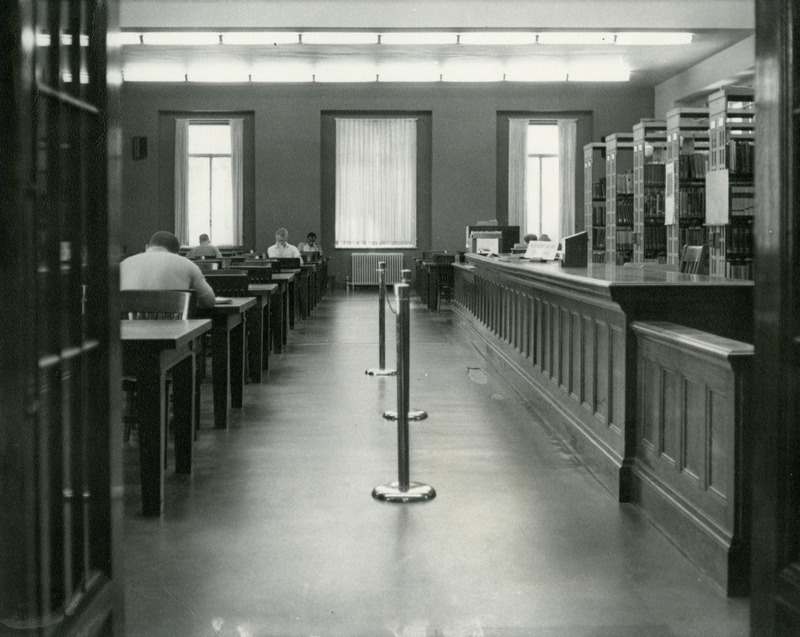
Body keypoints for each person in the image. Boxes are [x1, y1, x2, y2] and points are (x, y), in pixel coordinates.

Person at [120, 230, 217, 308]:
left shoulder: (122, 265)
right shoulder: (187, 264)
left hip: (129, 331)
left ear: (146, 247)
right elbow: (210, 301)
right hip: (174, 331)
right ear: (176, 253)